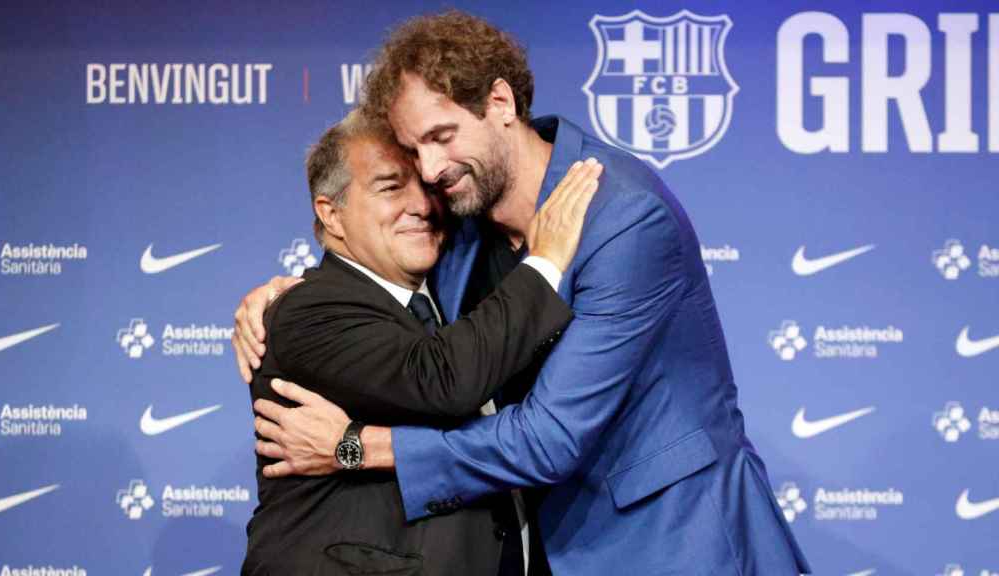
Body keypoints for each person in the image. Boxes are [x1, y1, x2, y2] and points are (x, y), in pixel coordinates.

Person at [235, 11, 811, 576]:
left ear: (501, 105)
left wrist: (358, 446)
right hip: (548, 545)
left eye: (442, 136)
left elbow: (551, 437)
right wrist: (281, 297)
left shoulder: (623, 219)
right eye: (415, 151)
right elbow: (379, 283)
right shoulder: (461, 218)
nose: (430, 170)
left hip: (672, 540)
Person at [241, 109, 602, 575]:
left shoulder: (451, 291)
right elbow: (445, 377)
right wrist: (547, 259)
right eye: (390, 187)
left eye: (429, 188)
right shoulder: (308, 312)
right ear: (331, 213)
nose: (423, 205)